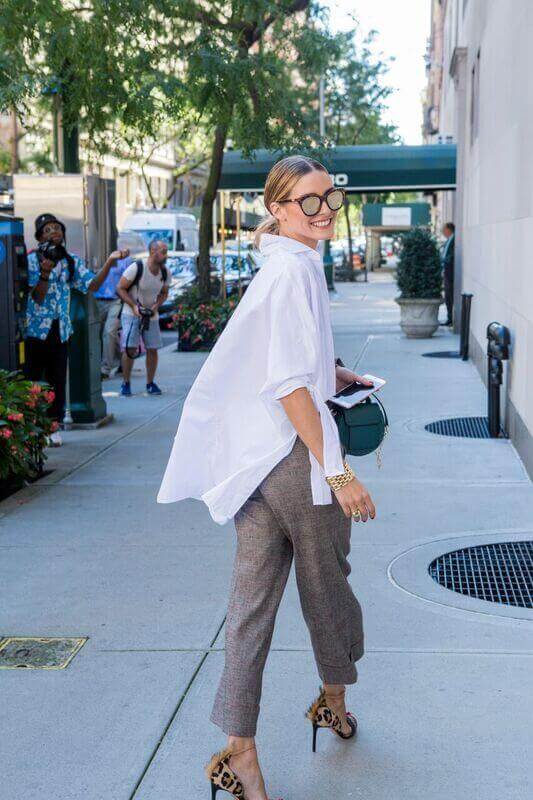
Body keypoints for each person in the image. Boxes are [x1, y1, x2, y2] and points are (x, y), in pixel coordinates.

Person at [157, 156, 376, 800]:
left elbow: (287, 363)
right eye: (308, 202)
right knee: (327, 592)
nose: (325, 209)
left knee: (249, 610)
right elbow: (286, 386)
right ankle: (332, 702)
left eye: (330, 197)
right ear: (278, 211)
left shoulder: (289, 266)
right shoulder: (291, 273)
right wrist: (338, 474)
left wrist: (329, 374)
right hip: (296, 463)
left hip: (257, 466)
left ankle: (239, 752)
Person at [24, 213, 128, 446]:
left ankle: (53, 427)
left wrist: (110, 261)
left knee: (57, 381)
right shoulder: (31, 261)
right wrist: (44, 273)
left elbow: (92, 285)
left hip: (60, 330)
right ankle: (32, 428)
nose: (54, 232)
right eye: (48, 229)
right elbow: (37, 298)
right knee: (32, 381)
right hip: (35, 331)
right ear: (40, 236)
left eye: (57, 228)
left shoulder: (70, 260)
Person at [116, 239, 170, 396]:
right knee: (130, 349)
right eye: (164, 252)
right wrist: (134, 306)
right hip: (131, 312)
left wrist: (156, 306)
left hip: (151, 314)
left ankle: (150, 383)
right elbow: (120, 288)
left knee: (152, 349)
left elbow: (164, 293)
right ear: (153, 252)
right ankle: (125, 383)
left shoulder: (165, 272)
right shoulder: (137, 267)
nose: (166, 255)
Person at [93, 245, 134, 378]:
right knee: (101, 334)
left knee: (109, 331)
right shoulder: (94, 255)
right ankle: (123, 359)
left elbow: (130, 281)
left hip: (115, 300)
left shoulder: (124, 258)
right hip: (96, 300)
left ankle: (105, 369)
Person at [441, 221, 455, 326]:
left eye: (443, 229)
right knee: (447, 297)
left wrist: (446, 261)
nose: (442, 231)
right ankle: (449, 318)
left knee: (450, 296)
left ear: (448, 230)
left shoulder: (454, 239)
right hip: (446, 271)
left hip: (451, 272)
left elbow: (451, 255)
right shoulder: (448, 240)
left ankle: (451, 318)